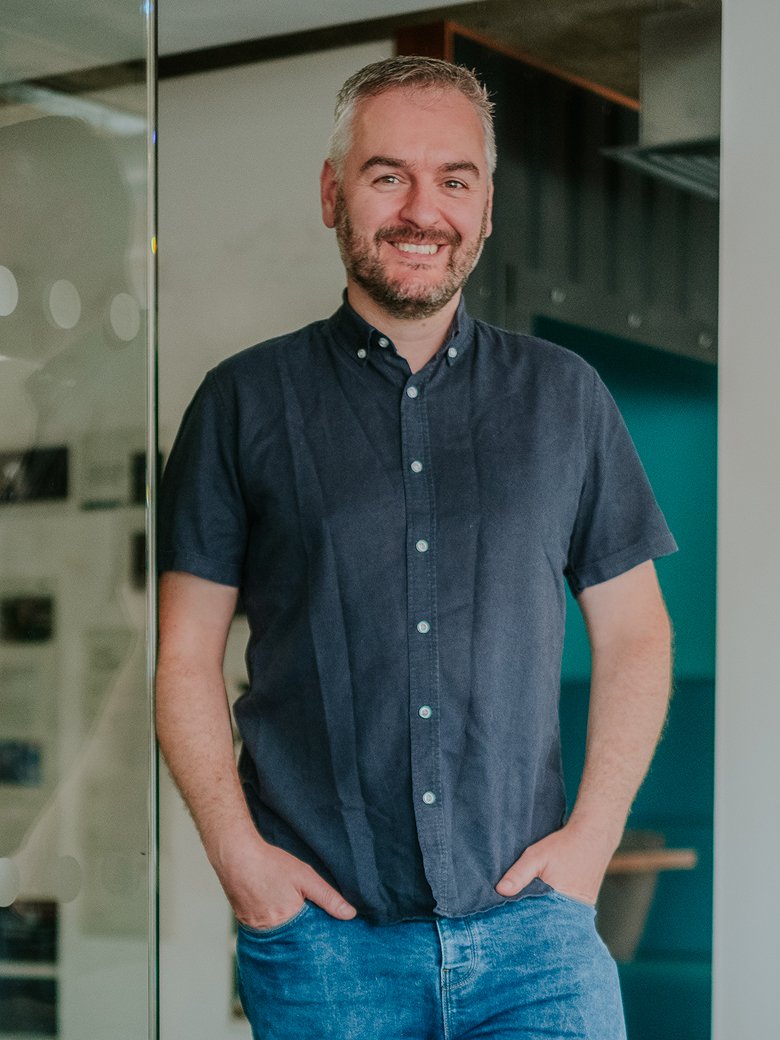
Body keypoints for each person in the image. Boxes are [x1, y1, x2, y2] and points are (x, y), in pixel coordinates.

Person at [156, 55, 676, 1040]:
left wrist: (593, 839)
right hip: (324, 950)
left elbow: (638, 634)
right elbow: (183, 655)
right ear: (331, 193)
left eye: (454, 179)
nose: (420, 209)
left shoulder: (566, 398)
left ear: (486, 209)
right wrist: (240, 859)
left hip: (536, 945)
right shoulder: (241, 404)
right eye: (386, 174)